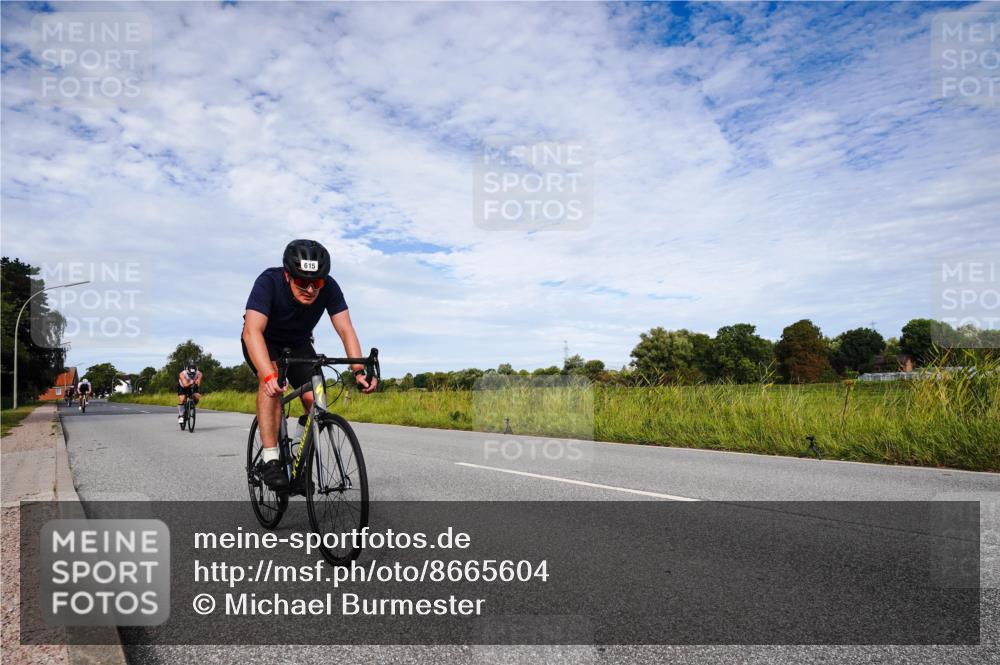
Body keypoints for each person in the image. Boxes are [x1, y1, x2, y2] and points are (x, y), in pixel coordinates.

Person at [242, 239, 377, 490]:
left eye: (317, 283)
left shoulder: (330, 287)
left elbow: (346, 329)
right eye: (302, 282)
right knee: (271, 381)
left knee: (315, 397)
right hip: (263, 341)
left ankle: (296, 457)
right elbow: (252, 332)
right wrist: (269, 375)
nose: (311, 289)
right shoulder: (268, 282)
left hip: (298, 344)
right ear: (287, 276)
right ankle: (271, 460)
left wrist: (359, 371)